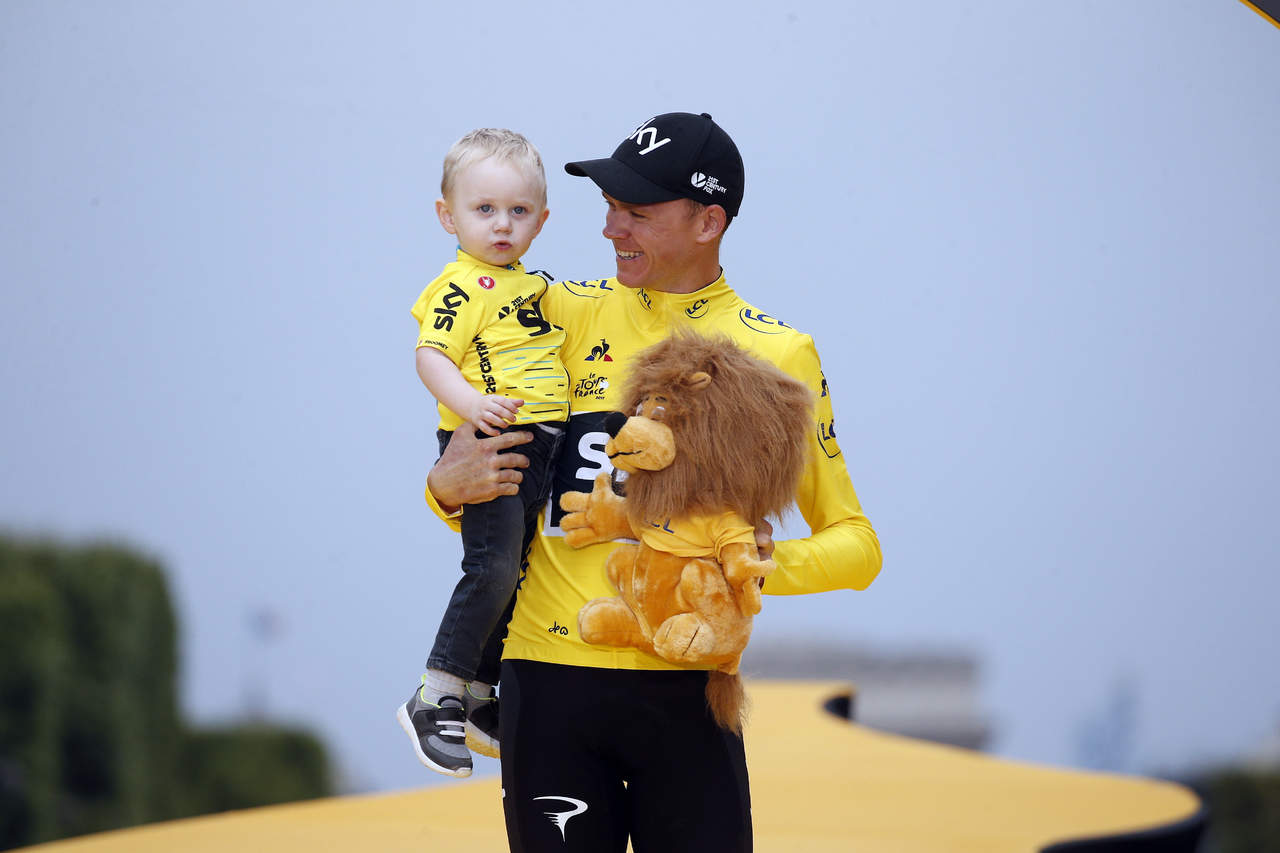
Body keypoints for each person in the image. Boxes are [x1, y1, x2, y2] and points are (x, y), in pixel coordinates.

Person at [424, 112, 882, 851]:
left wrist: (751, 567)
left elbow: (857, 545)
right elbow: (490, 493)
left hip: (691, 689)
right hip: (548, 682)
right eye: (610, 206)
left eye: (636, 212)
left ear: (709, 221)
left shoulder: (779, 353)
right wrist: (447, 487)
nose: (611, 228)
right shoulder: (549, 313)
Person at [397, 128, 569, 779]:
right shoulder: (460, 285)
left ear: (542, 220)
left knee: (519, 573)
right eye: (484, 209)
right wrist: (471, 405)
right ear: (448, 216)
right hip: (490, 441)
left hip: (539, 445)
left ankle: (476, 696)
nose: (502, 224)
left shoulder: (532, 285)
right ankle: (436, 692)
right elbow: (431, 356)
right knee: (492, 568)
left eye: (519, 211)